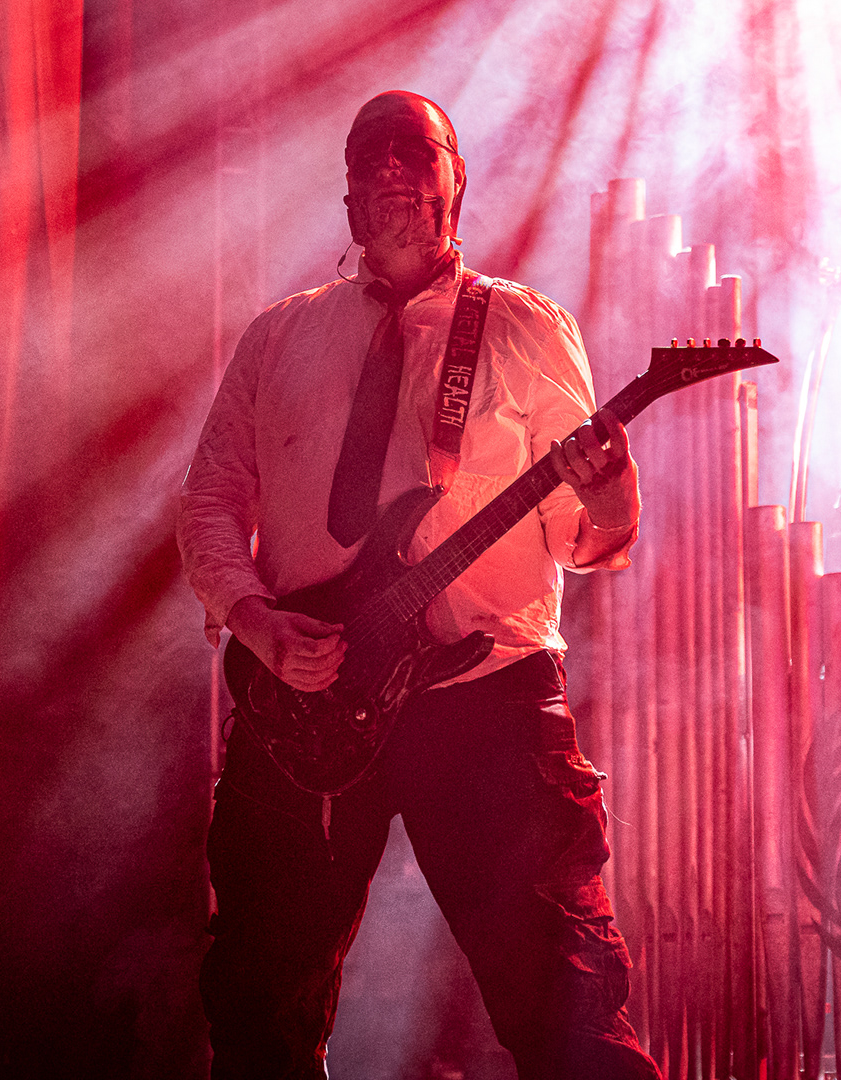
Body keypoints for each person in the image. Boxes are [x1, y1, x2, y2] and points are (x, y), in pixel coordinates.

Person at [177, 90, 662, 1079]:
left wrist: (610, 488)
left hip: (487, 701)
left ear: (456, 180)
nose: (394, 168)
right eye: (372, 155)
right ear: (349, 195)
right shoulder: (278, 337)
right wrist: (258, 624)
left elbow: (583, 542)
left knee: (569, 1013)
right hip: (304, 702)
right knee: (259, 1018)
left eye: (417, 150)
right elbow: (211, 499)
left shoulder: (525, 326)